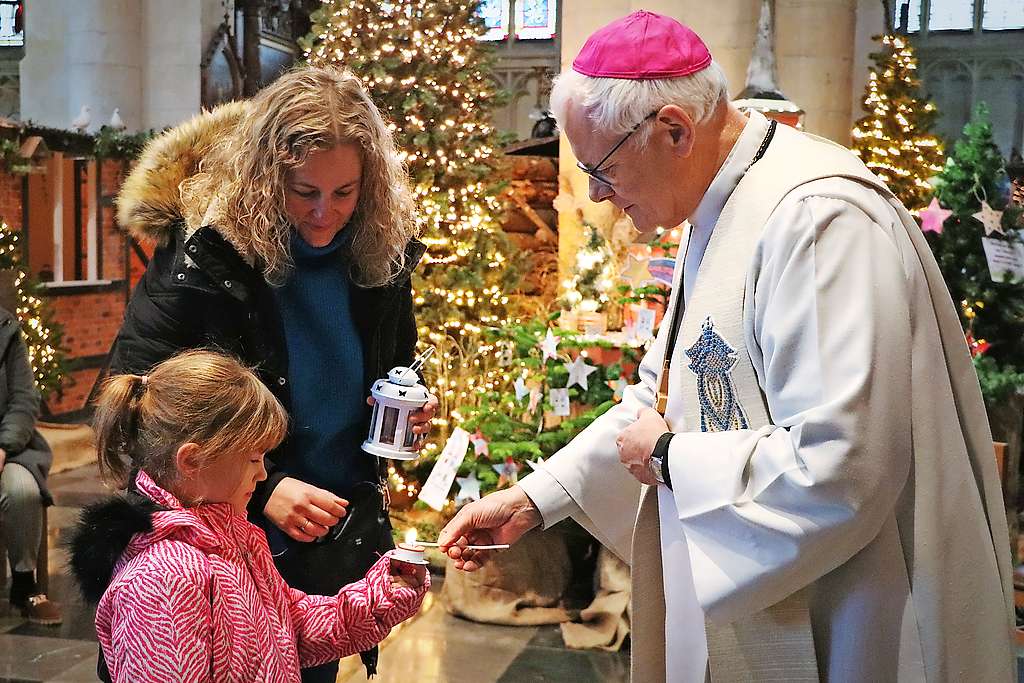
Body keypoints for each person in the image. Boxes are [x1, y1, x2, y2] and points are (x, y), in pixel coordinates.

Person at [439, 11, 1014, 682]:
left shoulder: (819, 219)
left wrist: (671, 457)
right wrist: (536, 498)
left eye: (604, 169)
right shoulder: (717, 205)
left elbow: (844, 461)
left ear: (674, 130)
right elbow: (660, 399)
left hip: (856, 613)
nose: (596, 194)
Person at [111, 65, 437, 680]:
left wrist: (406, 402)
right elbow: (132, 405)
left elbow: (394, 359)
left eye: (345, 192)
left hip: (335, 520)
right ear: (265, 178)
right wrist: (265, 488)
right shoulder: (205, 254)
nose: (324, 214)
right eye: (303, 191)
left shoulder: (381, 253)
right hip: (218, 537)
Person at [70, 350, 428, 682]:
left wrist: (380, 597)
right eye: (254, 458)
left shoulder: (236, 537)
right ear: (193, 460)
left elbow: (291, 627)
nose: (263, 475)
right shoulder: (164, 579)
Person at [0, 306, 60, 625]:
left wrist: (3, 445)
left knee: (22, 491)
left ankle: (25, 583)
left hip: (9, 448)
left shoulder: (5, 327)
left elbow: (24, 400)